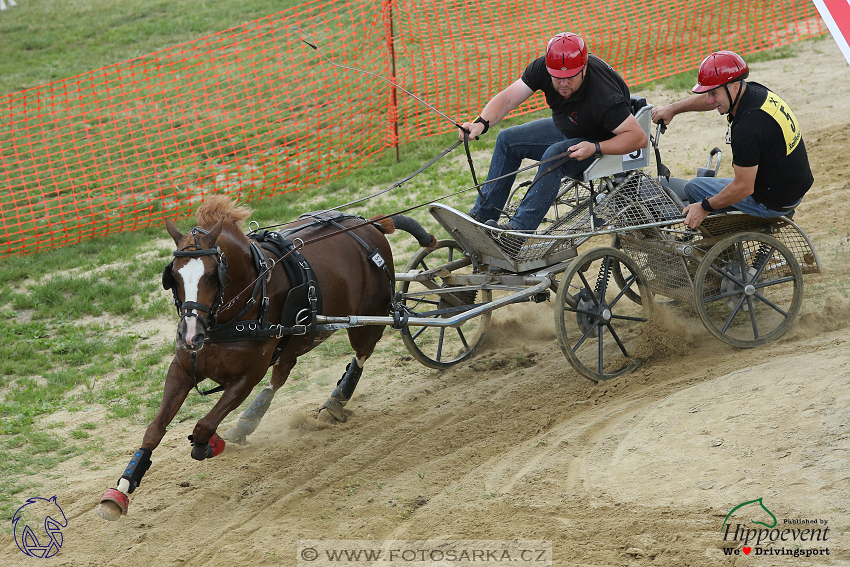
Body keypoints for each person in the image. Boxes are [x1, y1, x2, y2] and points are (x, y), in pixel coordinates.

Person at [460, 32, 647, 232]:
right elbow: (508, 98)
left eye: (570, 78)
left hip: (599, 142)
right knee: (508, 140)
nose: (563, 84)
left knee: (554, 156)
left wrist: (595, 147)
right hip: (570, 127)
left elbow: (638, 137)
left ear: (584, 68)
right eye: (557, 78)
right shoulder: (544, 67)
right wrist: (480, 123)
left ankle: (517, 232)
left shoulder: (604, 96)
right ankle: (481, 219)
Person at [651, 50, 813, 229]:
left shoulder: (747, 128)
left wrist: (704, 207)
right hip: (791, 184)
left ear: (734, 86)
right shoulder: (754, 92)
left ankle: (722, 251)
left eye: (714, 94)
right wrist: (674, 108)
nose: (711, 100)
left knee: (694, 188)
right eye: (709, 93)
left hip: (773, 199)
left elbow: (744, 187)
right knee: (703, 188)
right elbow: (711, 99)